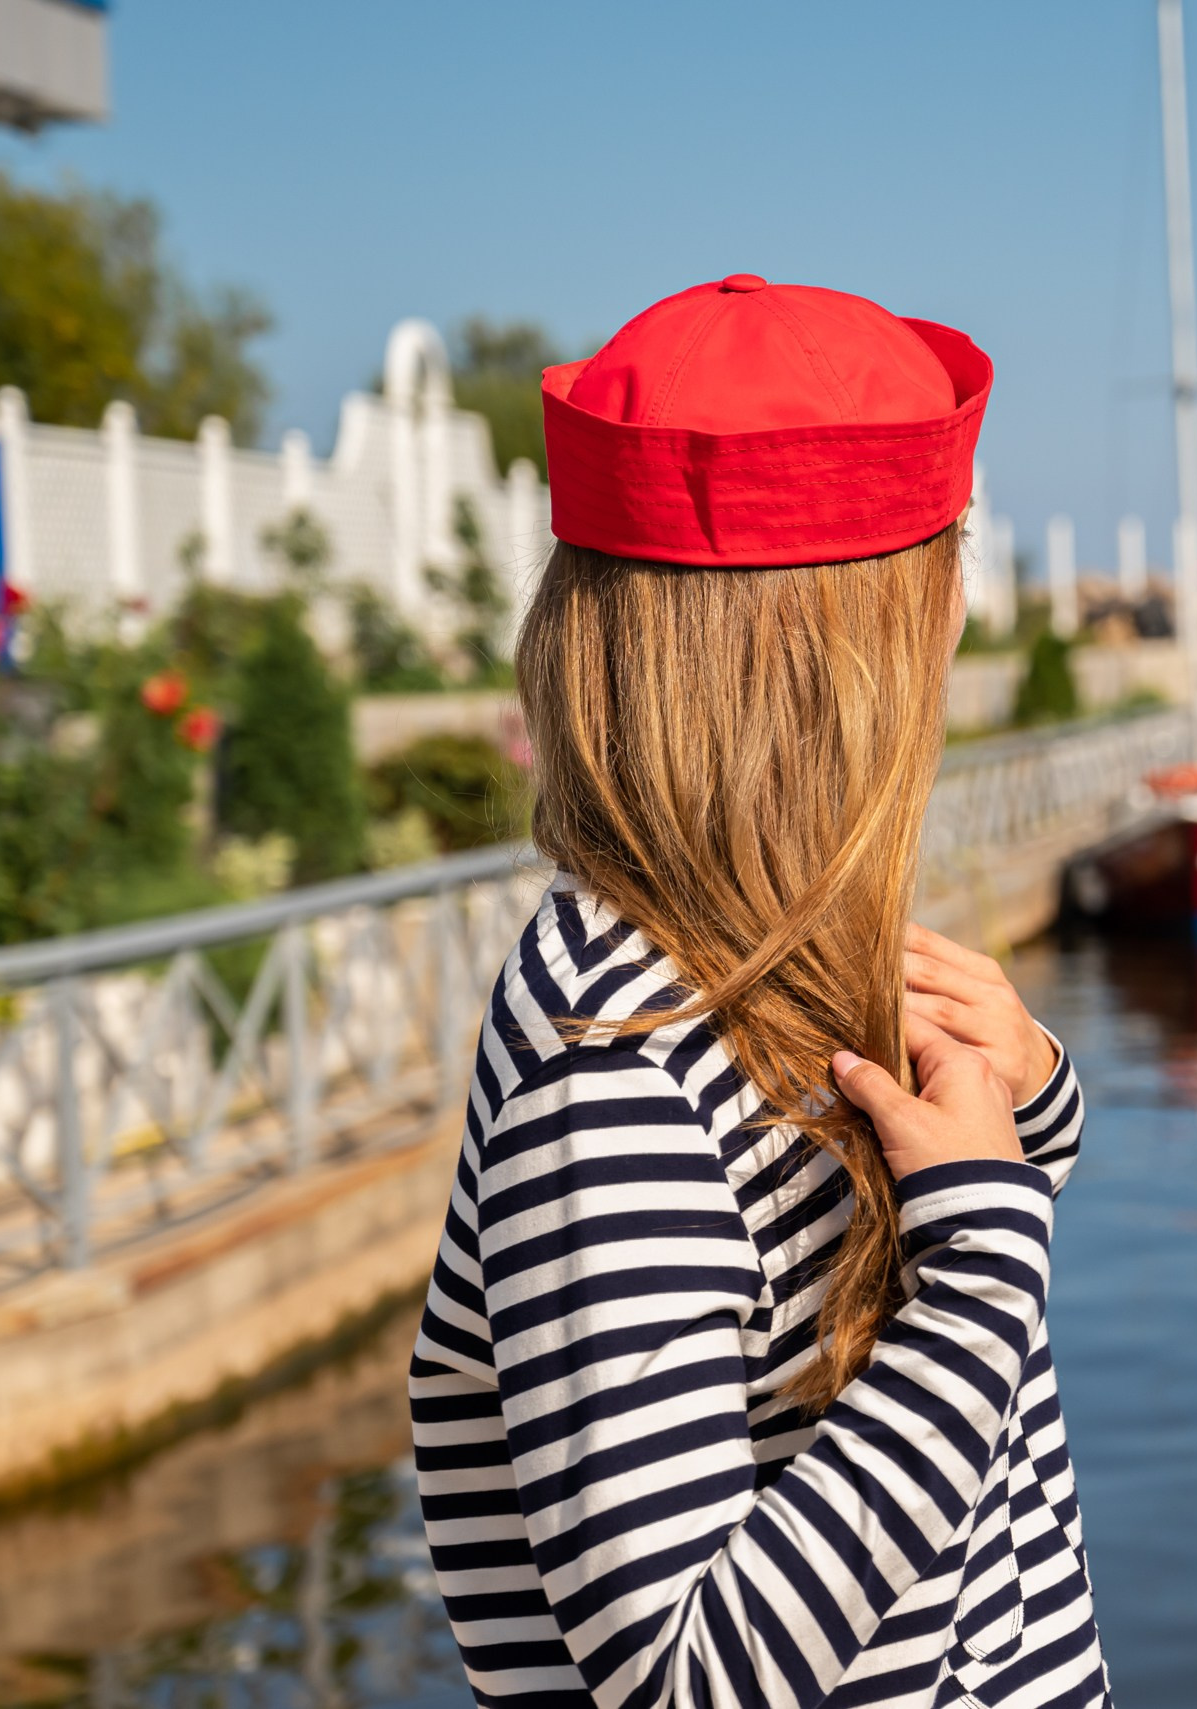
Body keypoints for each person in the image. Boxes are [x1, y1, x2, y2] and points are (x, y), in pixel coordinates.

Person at [408, 275, 1108, 1708]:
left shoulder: (772, 948)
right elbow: (675, 1674)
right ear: (845, 646)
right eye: (947, 558)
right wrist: (981, 1275)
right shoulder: (613, 1057)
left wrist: (1025, 1117)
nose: (964, 614)